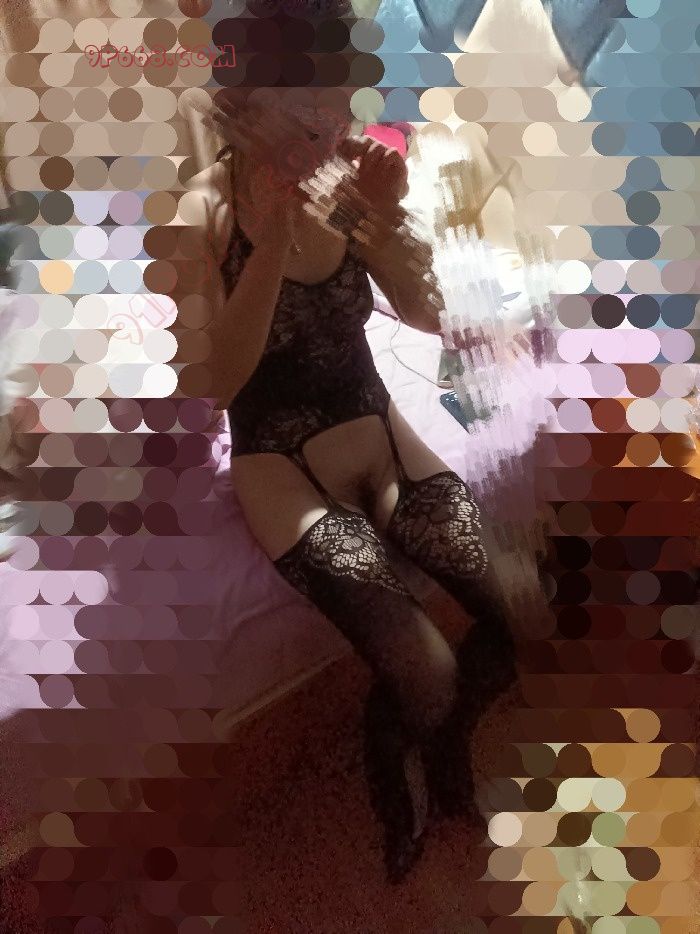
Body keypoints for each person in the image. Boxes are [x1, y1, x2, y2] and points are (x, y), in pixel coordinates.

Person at [185, 93, 517, 883]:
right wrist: (269, 241)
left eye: (336, 106)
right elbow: (214, 386)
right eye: (306, 106)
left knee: (517, 618)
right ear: (250, 104)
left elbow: (428, 316)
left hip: (378, 431)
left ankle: (413, 733)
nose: (332, 126)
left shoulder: (342, 192)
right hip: (281, 464)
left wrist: (387, 220)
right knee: (428, 666)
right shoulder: (203, 213)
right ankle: (408, 783)